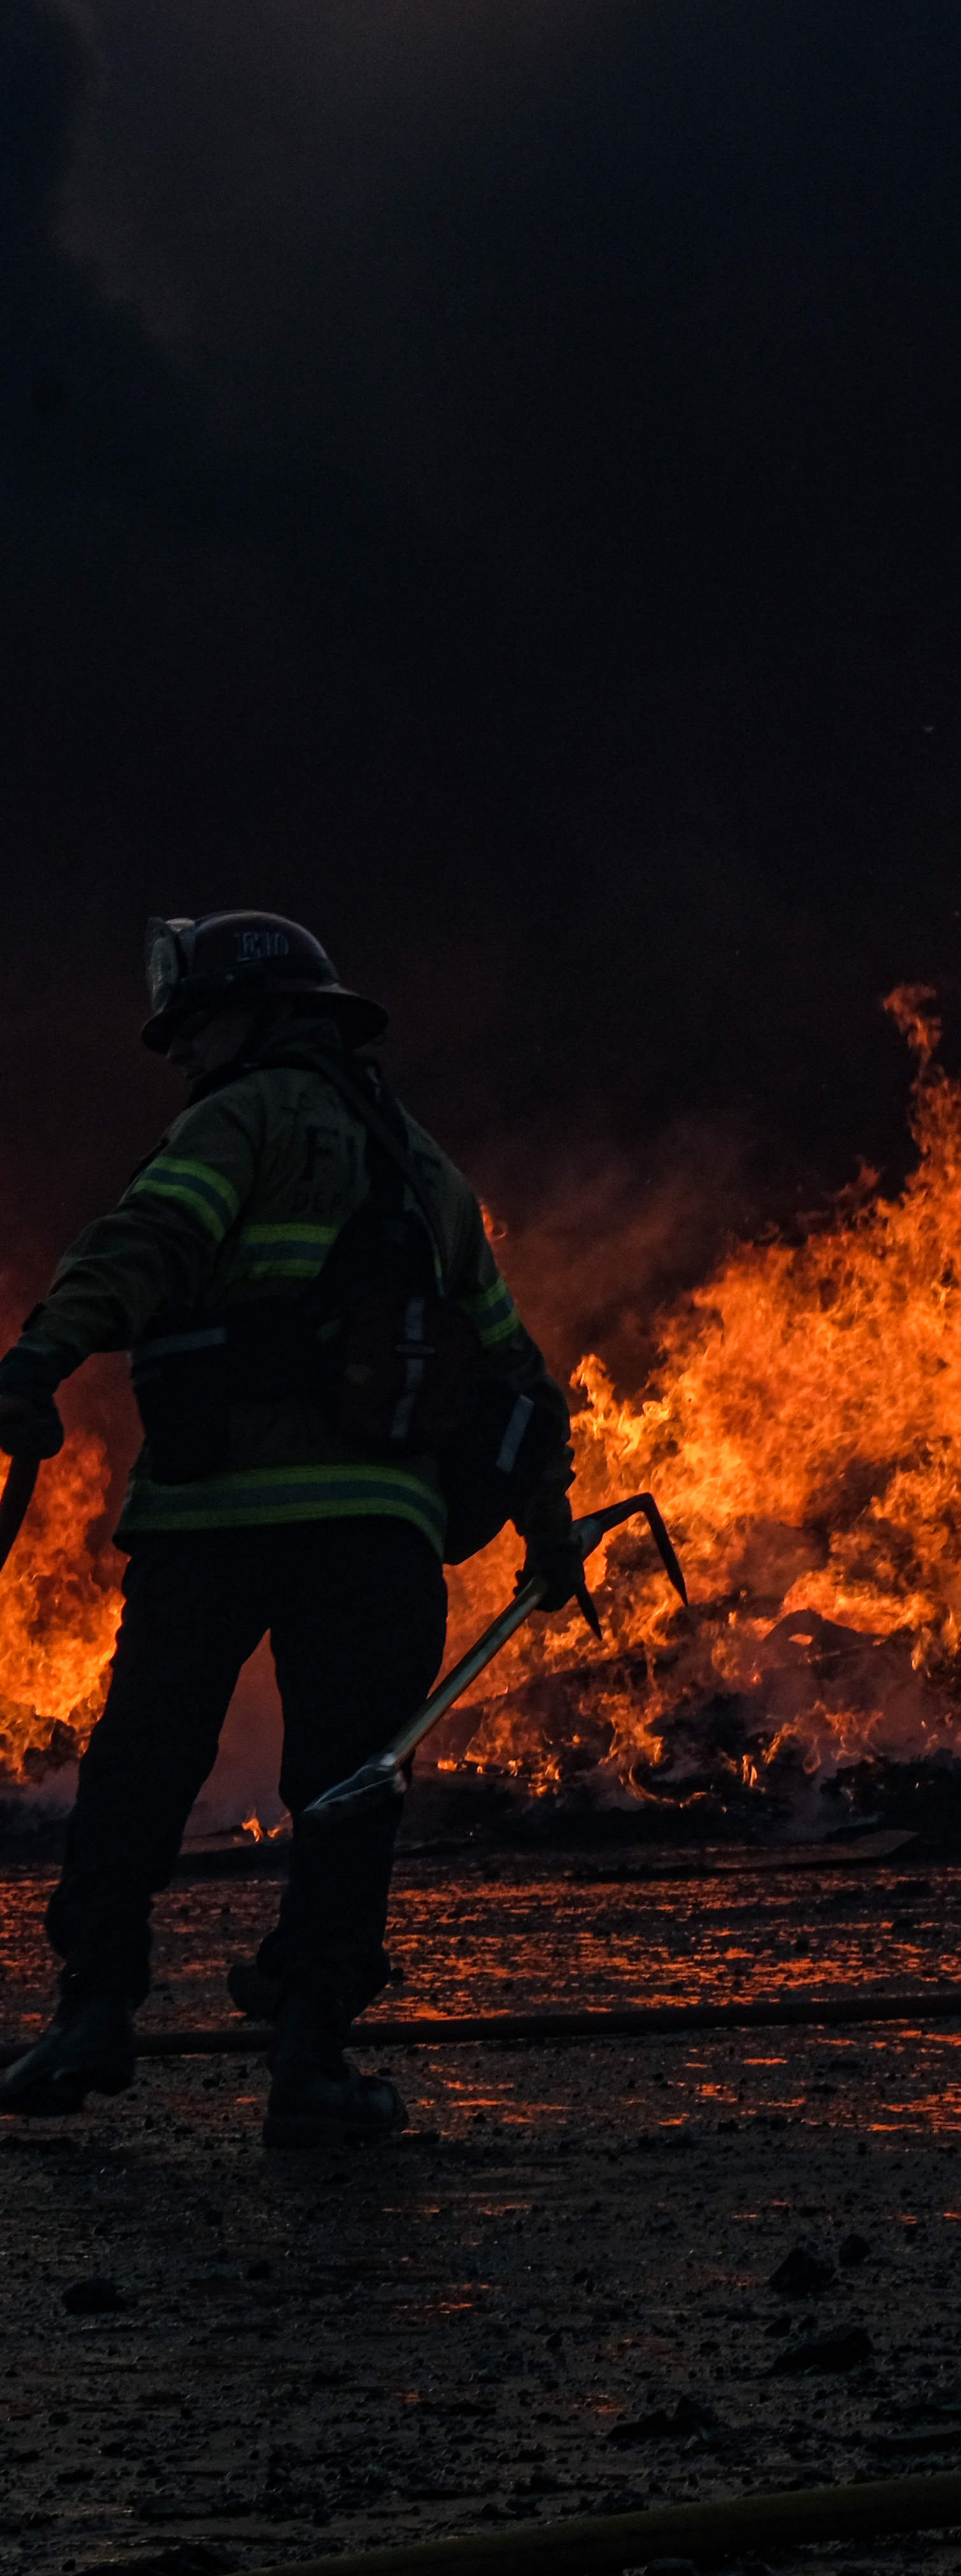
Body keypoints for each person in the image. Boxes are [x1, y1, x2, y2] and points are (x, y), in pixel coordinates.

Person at [0, 914, 581, 2148]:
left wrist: (39, 1357)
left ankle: (93, 2011)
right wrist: (551, 1521)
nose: (185, 1055)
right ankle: (313, 2056)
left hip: (218, 1514)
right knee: (347, 1791)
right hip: (382, 1537)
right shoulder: (431, 1174)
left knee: (144, 1764)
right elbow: (517, 1378)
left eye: (198, 1026)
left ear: (267, 1018)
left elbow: (145, 1245)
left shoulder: (241, 1119)